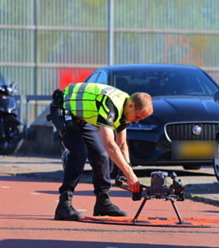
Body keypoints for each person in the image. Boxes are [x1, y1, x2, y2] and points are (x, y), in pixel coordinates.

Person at [52, 82, 154, 221]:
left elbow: (122, 143)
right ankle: (64, 205)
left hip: (82, 117)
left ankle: (103, 202)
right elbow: (110, 144)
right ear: (132, 106)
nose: (136, 121)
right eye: (137, 117)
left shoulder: (126, 107)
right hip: (64, 109)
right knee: (79, 152)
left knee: (100, 155)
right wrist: (130, 175)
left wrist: (128, 172)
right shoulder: (110, 103)